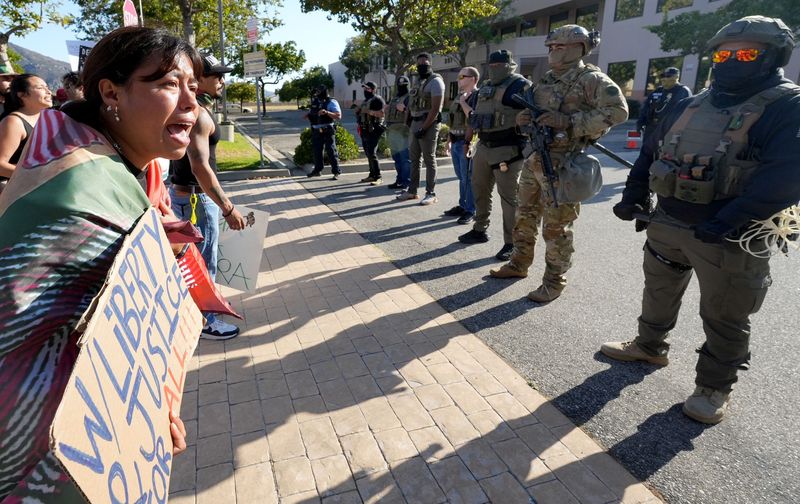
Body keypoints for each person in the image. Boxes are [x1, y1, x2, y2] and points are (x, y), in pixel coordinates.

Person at [0, 26, 198, 501]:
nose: (193, 104)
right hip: (44, 453)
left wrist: (151, 403)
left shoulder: (125, 166)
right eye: (170, 84)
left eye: (194, 86)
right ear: (111, 92)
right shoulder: (81, 190)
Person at [601, 16, 800, 424]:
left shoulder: (787, 105)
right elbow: (650, 153)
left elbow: (786, 178)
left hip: (734, 235)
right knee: (658, 289)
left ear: (773, 57)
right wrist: (633, 194)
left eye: (746, 53)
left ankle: (713, 387)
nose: (730, 61)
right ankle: (649, 345)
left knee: (726, 313)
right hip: (669, 221)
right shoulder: (691, 103)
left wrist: (729, 220)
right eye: (722, 53)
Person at [489, 27, 628, 302]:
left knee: (556, 227)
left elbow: (619, 111)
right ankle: (518, 264)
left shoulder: (591, 79)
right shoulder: (547, 79)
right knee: (524, 216)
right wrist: (525, 119)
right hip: (535, 159)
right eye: (551, 47)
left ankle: (554, 281)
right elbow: (535, 110)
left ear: (579, 48)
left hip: (565, 163)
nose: (553, 52)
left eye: (559, 47)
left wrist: (569, 122)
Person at [170, 53, 246, 340]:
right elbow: (199, 166)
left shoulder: (190, 107)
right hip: (196, 200)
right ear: (198, 79)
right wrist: (227, 207)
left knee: (192, 260)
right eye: (217, 76)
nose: (223, 81)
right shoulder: (199, 114)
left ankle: (201, 311)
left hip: (185, 196)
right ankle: (207, 322)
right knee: (203, 262)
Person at [457, 50, 530, 260]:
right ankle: (480, 229)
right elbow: (475, 117)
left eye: (499, 65)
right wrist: (468, 142)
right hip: (484, 147)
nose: (494, 68)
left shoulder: (520, 86)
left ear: (509, 65)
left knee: (509, 199)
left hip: (509, 150)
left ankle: (511, 243)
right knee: (479, 190)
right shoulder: (486, 87)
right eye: (492, 64)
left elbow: (533, 117)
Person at [397, 52, 445, 205]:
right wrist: (407, 125)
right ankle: (412, 191)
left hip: (429, 124)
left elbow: (436, 109)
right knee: (414, 159)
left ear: (430, 64)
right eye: (419, 64)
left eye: (424, 63)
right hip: (415, 123)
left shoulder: (436, 82)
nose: (421, 66)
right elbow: (410, 107)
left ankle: (431, 193)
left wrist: (424, 128)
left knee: (429, 159)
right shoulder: (417, 82)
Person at [0, 74, 53, 184]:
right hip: (17, 190)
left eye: (47, 87)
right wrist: (38, 176)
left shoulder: (48, 118)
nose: (48, 92)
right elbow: (1, 165)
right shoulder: (14, 122)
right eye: (40, 88)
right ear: (22, 95)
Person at [444, 66, 479, 225]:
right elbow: (453, 121)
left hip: (467, 142)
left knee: (469, 178)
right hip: (456, 141)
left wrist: (464, 101)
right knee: (461, 177)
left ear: (473, 79)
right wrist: (448, 141)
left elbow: (473, 119)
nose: (459, 79)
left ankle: (470, 210)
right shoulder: (459, 96)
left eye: (462, 77)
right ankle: (463, 205)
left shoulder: (476, 96)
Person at [635, 67, 691, 143]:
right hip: (652, 128)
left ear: (676, 77)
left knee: (662, 153)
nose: (664, 79)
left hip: (668, 129)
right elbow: (646, 107)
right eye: (663, 76)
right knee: (646, 152)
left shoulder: (682, 91)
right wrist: (640, 123)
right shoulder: (658, 90)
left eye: (668, 76)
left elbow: (686, 113)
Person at [306, 84, 342, 179]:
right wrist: (308, 115)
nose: (316, 93)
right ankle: (317, 170)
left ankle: (336, 172)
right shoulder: (315, 101)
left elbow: (338, 116)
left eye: (318, 92)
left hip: (327, 129)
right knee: (317, 151)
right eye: (316, 91)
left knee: (331, 150)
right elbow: (312, 112)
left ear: (323, 92)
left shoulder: (332, 102)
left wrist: (327, 112)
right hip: (316, 130)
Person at [355, 81, 386, 185]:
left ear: (373, 89)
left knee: (372, 153)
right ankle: (372, 175)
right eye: (364, 88)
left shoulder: (377, 99)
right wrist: (358, 111)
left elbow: (382, 114)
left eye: (367, 88)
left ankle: (378, 176)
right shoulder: (365, 101)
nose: (365, 90)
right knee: (368, 153)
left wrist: (369, 112)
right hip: (365, 130)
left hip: (374, 129)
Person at [385, 75, 411, 190]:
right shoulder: (394, 98)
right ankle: (399, 180)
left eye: (404, 85)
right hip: (391, 131)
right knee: (396, 158)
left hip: (403, 132)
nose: (402, 87)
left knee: (405, 159)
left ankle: (406, 183)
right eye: (400, 85)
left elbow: (414, 113)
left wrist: (404, 109)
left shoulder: (409, 97)